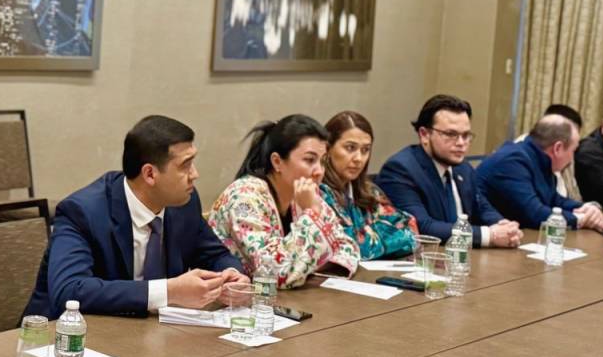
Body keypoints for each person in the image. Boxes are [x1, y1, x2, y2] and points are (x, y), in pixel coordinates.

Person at [24, 115, 247, 319]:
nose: (195, 174)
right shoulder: (83, 212)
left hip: (150, 334)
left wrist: (231, 276)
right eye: (185, 165)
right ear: (150, 174)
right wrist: (169, 291)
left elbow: (215, 255)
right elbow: (69, 290)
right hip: (63, 336)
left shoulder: (183, 203)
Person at [208, 115, 360, 288]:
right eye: (309, 160)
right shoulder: (244, 198)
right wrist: (311, 215)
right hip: (233, 299)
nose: (319, 171)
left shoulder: (305, 193)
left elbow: (348, 247)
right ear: (277, 162)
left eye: (323, 161)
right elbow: (274, 274)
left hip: (284, 297)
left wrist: (303, 266)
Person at [376, 95, 522, 248]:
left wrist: (504, 227)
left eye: (466, 135)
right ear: (424, 134)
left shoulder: (463, 168)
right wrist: (489, 235)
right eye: (451, 134)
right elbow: (422, 227)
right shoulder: (400, 169)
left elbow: (482, 209)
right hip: (427, 257)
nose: (461, 143)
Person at [477, 115, 603, 230]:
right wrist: (582, 219)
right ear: (558, 148)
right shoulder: (511, 161)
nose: (572, 158)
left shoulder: (539, 158)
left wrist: (585, 208)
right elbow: (535, 214)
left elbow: (554, 200)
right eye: (572, 151)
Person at [319, 111, 418, 260]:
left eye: (365, 150)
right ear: (327, 148)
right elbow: (348, 248)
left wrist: (369, 238)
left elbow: (411, 227)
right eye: (350, 148)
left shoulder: (369, 191)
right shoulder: (318, 192)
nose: (359, 158)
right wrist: (384, 234)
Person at [515, 104, 584, 201]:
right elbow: (532, 205)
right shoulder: (520, 155)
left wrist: (585, 207)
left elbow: (570, 195)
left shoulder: (567, 148)